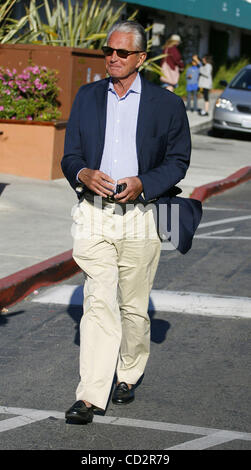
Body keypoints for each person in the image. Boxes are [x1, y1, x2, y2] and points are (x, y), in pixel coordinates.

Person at [61, 21, 198, 425]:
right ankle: (90, 396)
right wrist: (82, 173)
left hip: (141, 218)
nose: (114, 58)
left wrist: (143, 183)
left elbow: (178, 162)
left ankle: (130, 370)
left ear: (140, 58)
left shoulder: (166, 104)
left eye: (123, 53)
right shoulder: (87, 97)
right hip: (93, 216)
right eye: (109, 51)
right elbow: (70, 156)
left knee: (133, 308)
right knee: (99, 303)